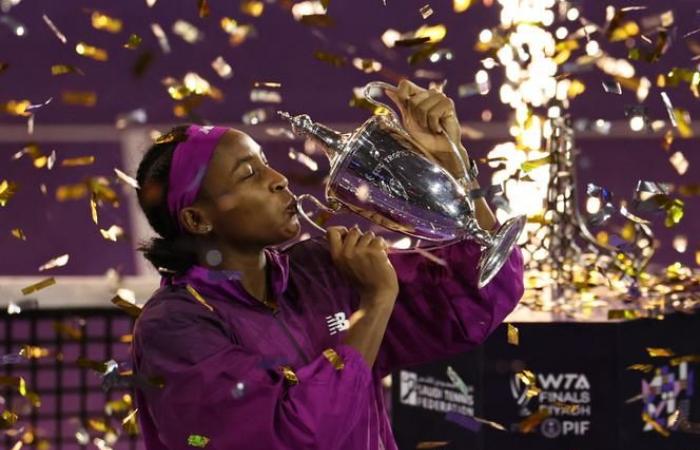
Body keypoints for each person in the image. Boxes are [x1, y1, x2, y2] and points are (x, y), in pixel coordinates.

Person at [131, 79, 524, 450]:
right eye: (249, 174)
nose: (279, 179)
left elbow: (474, 299)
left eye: (266, 162)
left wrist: (452, 168)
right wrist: (373, 306)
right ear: (198, 220)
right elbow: (296, 436)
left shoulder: (322, 271)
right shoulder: (175, 328)